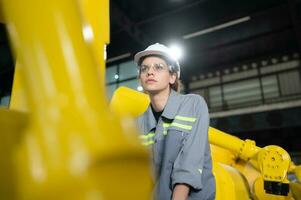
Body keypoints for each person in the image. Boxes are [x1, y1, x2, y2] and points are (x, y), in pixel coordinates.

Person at [135, 43, 216, 200]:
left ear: (172, 77)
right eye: (144, 69)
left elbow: (189, 163)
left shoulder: (193, 104)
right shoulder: (138, 123)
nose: (150, 72)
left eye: (158, 67)